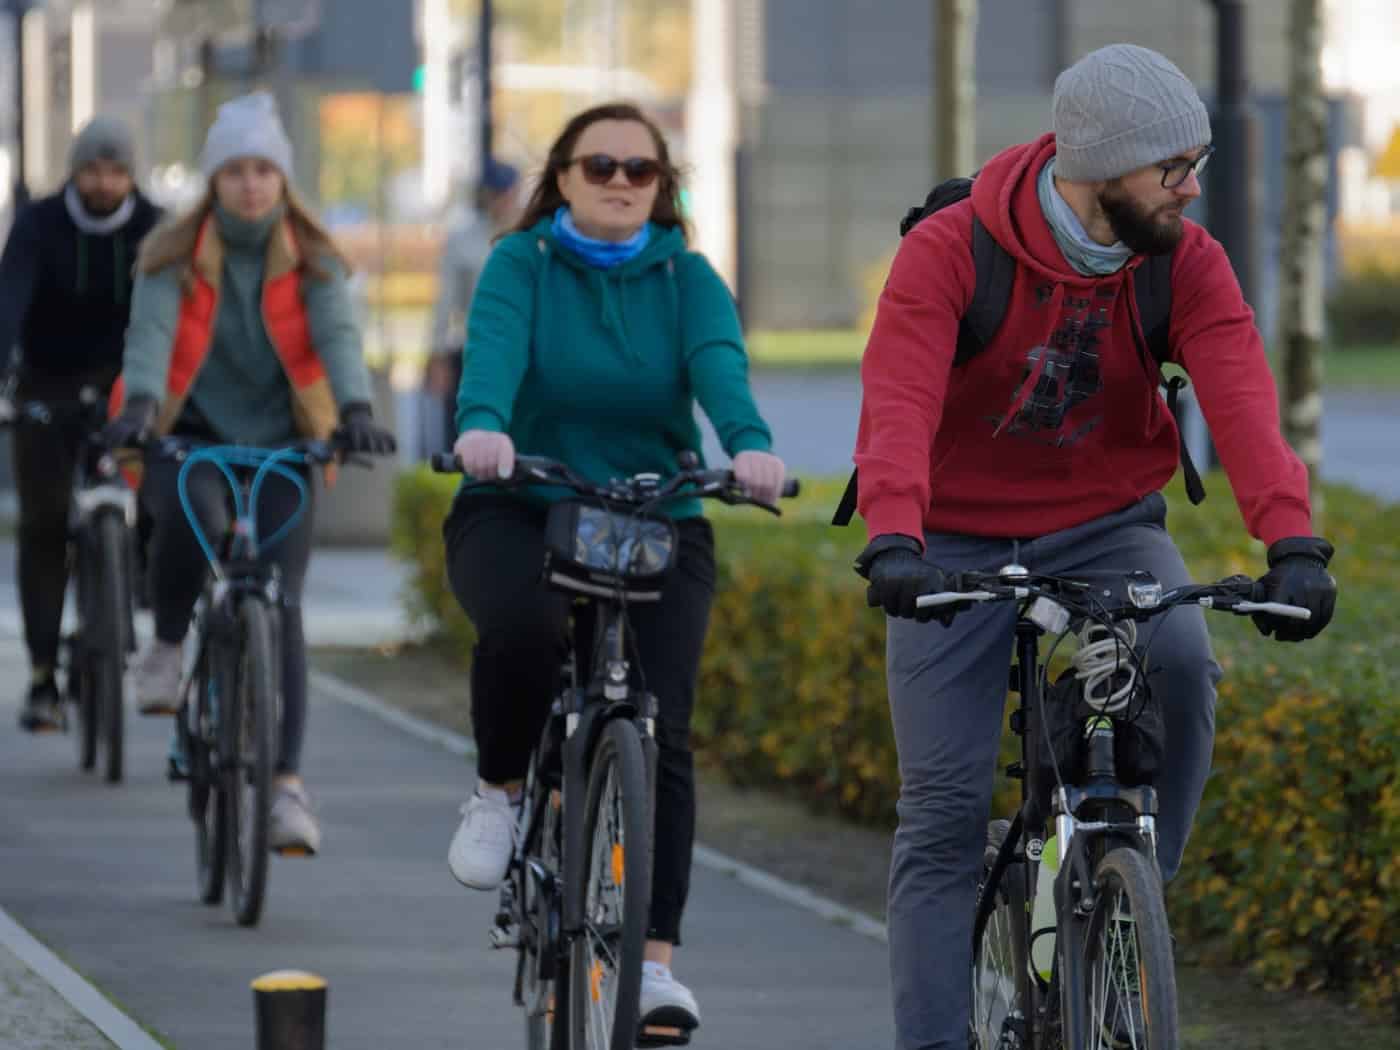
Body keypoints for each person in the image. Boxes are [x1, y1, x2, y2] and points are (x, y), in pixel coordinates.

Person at [849, 45, 1337, 1050]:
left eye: (1195, 163)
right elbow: (897, 398)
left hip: (1109, 526)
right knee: (941, 816)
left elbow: (1242, 399)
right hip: (952, 539)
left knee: (1182, 663)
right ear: (1100, 168)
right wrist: (894, 535)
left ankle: (1129, 909)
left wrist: (1291, 540)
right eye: (1172, 168)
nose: (1191, 187)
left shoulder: (1182, 262)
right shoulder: (950, 250)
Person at [441, 101, 787, 1037]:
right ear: (562, 177)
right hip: (522, 502)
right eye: (601, 166)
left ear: (663, 187)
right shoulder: (521, 264)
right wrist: (483, 426)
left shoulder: (688, 278)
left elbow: (720, 368)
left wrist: (749, 446)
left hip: (652, 516)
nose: (622, 183)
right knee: (523, 628)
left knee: (662, 727)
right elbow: (494, 351)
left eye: (642, 170)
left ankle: (656, 966)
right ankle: (501, 792)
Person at [103, 92, 395, 854]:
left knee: (282, 602)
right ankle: (169, 644)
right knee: (187, 519)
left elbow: (337, 335)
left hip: (284, 445)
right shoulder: (172, 254)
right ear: (214, 180)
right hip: (190, 434)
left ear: (283, 178)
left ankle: (286, 787)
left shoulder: (312, 257)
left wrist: (354, 408)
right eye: (235, 170)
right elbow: (150, 334)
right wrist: (141, 405)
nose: (251, 184)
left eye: (264, 169)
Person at [0, 115, 162, 732]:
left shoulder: (155, 227)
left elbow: (179, 310)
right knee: (42, 524)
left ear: (132, 175)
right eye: (92, 169)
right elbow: (9, 302)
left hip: (131, 387)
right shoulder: (39, 224)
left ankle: (132, 593)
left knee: (161, 500)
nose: (104, 183)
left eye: (116, 171)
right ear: (73, 171)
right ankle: (43, 676)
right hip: (48, 384)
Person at [422, 159, 521, 455]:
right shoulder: (462, 240)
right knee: (467, 435)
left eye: (508, 193)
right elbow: (446, 301)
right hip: (473, 351)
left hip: (522, 352)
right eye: (496, 193)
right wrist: (437, 354)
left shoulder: (531, 238)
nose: (502, 201)